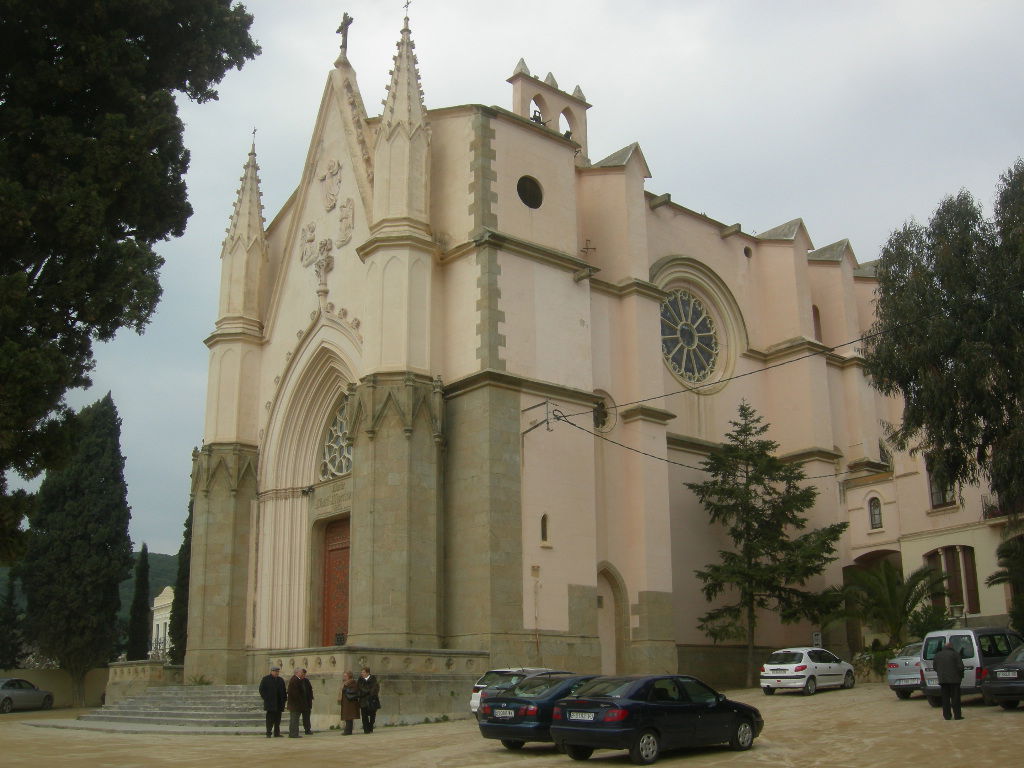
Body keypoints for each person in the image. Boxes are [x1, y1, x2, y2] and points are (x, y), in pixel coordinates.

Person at [933, 641, 965, 720]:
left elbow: (935, 667)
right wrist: (960, 676)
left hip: (943, 680)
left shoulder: (938, 655)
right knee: (955, 698)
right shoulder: (955, 654)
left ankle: (947, 716)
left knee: (945, 699)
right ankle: (957, 715)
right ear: (951, 646)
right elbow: (961, 667)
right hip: (954, 680)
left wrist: (940, 674)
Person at [258, 666, 286, 738]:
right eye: (275, 671)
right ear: (271, 671)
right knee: (269, 719)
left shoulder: (280, 680)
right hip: (270, 703)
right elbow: (261, 690)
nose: (276, 673)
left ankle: (277, 733)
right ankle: (268, 733)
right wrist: (266, 698)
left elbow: (284, 691)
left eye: (277, 671)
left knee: (277, 720)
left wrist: (284, 699)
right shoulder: (266, 679)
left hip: (279, 703)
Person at [357, 666, 380, 734]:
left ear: (367, 673)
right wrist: (365, 692)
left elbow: (375, 688)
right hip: (363, 699)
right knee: (364, 715)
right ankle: (366, 729)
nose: (362, 673)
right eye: (362, 672)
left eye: (363, 672)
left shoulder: (373, 679)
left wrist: (370, 693)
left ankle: (370, 726)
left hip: (371, 699)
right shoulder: (360, 679)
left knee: (372, 715)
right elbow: (359, 688)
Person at [286, 668, 309, 737]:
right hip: (295, 704)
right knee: (294, 719)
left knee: (295, 719)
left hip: (295, 704)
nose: (302, 674)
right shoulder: (295, 680)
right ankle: (293, 734)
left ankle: (293, 733)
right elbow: (295, 693)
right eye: (301, 672)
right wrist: (300, 702)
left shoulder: (296, 679)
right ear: (297, 673)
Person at [337, 670, 360, 735]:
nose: (344, 677)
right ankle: (347, 730)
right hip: (346, 701)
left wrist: (345, 689)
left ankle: (348, 731)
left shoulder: (352, 682)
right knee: (347, 717)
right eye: (343, 676)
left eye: (345, 676)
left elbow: (354, 690)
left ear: (349, 676)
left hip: (350, 702)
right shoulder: (345, 683)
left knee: (349, 716)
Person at [300, 668, 314, 734]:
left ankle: (307, 729)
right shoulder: (297, 680)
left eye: (304, 674)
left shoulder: (306, 681)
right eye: (302, 674)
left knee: (307, 717)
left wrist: (311, 698)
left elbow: (310, 689)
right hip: (300, 702)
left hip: (307, 702)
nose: (303, 676)